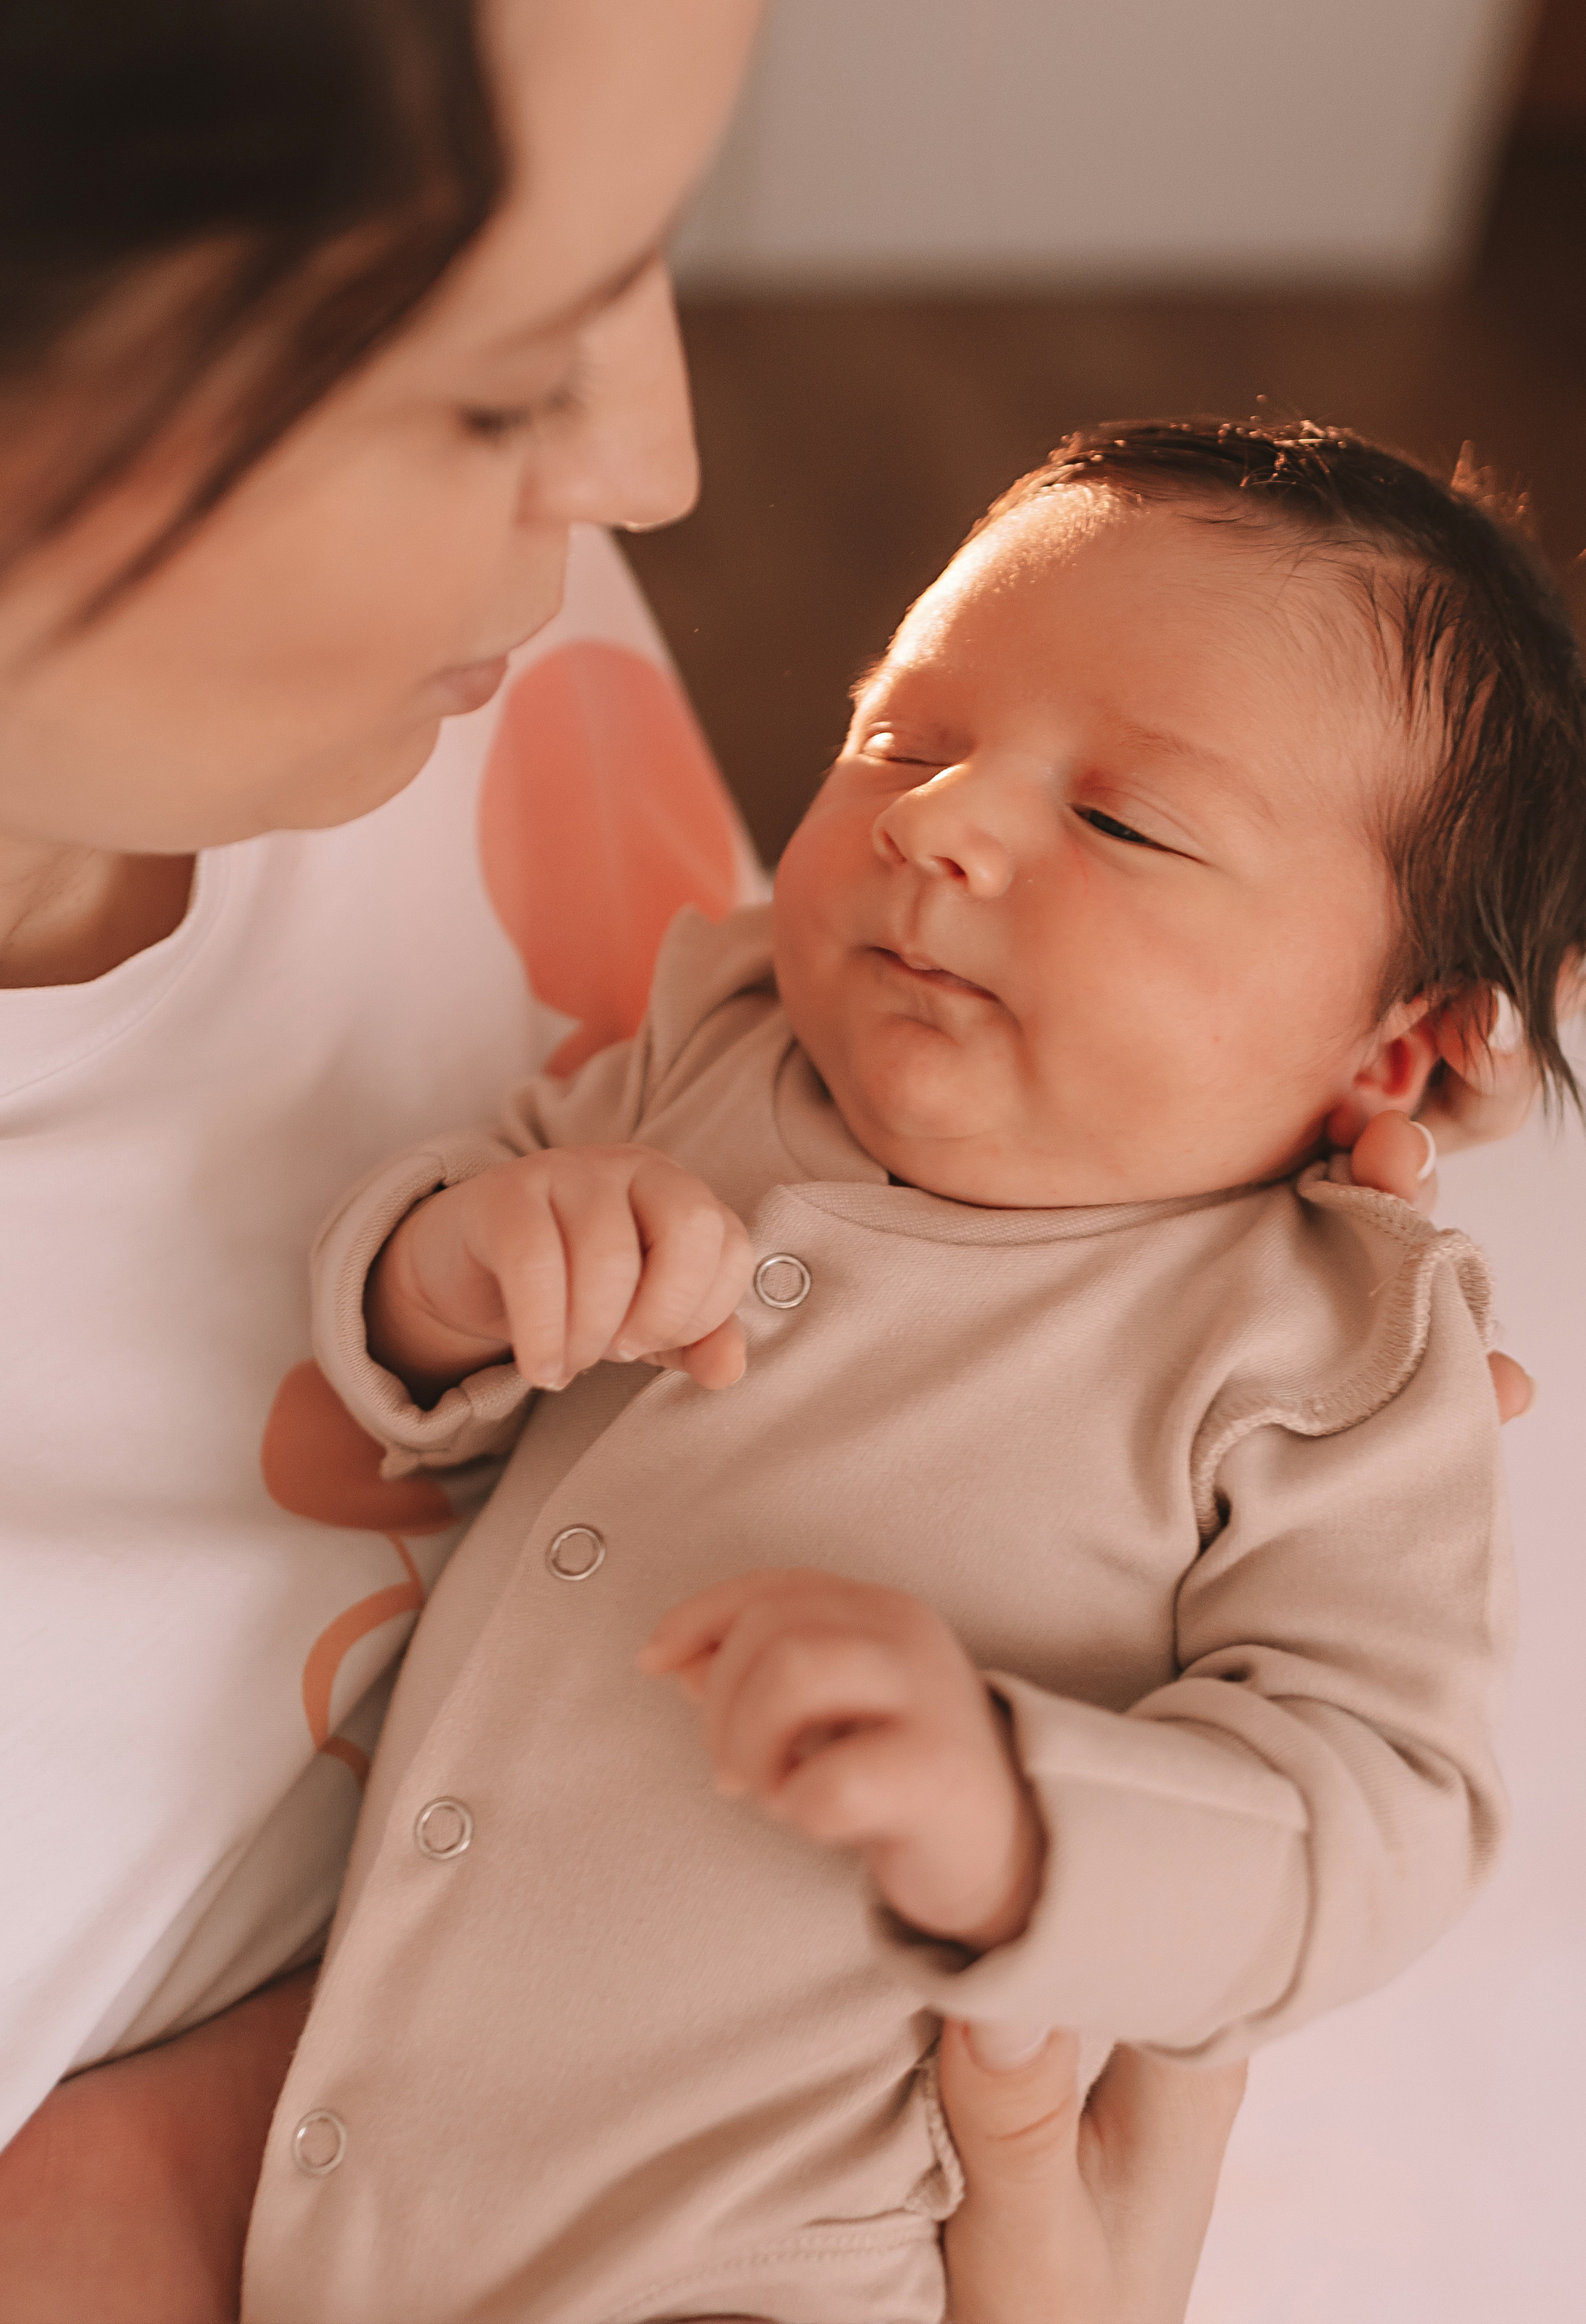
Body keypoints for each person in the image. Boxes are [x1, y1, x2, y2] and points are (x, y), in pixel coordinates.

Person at [0, 0, 1533, 2321]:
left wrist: (1154, 1152)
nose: (655, 469)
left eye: (654, 230)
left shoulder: (566, 773)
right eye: (485, 368)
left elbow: (1348, 1780)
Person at [248, 419, 1570, 2323]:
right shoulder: (735, 1041)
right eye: (903, 739)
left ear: (1395, 1048)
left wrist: (1025, 1817)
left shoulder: (1325, 1351)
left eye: (1119, 820)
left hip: (771, 2255)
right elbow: (433, 1302)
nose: (934, 824)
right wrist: (453, 1272)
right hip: (343, 2158)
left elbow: (1386, 1812)